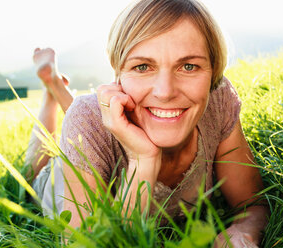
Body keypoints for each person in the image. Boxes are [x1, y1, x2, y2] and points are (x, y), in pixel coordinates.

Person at [27, 0, 269, 247]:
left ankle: (55, 86)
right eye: (142, 66)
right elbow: (92, 243)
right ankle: (52, 91)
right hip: (58, 180)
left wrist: (244, 229)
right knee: (33, 175)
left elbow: (252, 205)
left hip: (97, 120)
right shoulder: (86, 119)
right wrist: (143, 160)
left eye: (188, 66)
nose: (165, 92)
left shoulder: (218, 101)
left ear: (213, 70)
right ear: (118, 72)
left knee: (97, 118)